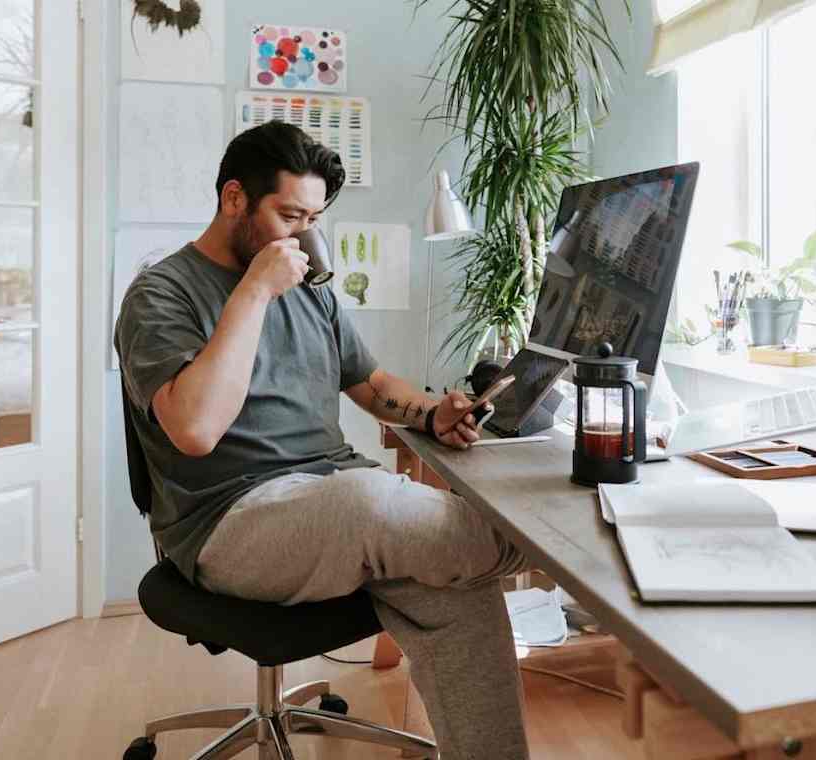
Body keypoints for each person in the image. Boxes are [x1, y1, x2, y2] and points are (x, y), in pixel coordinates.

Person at [114, 122, 530, 758]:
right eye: (289, 215)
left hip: (332, 500)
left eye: (312, 217)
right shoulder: (160, 294)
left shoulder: (312, 292)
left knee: (457, 592)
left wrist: (432, 412)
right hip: (228, 523)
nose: (304, 233)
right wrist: (253, 290)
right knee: (370, 500)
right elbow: (194, 430)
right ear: (233, 199)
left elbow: (370, 382)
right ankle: (549, 549)